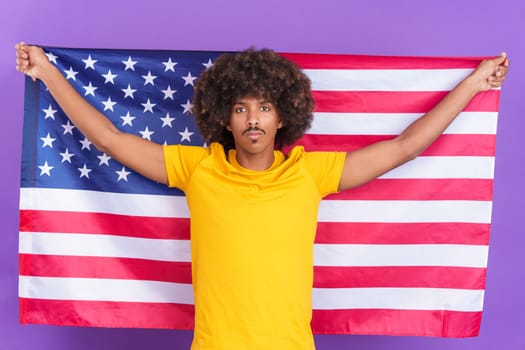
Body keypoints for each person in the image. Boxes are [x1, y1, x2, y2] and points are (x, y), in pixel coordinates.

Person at [15, 42, 508, 350]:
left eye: (265, 107)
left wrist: (472, 84)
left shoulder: (311, 174)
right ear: (224, 119)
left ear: (283, 116)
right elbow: (109, 139)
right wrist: (47, 72)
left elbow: (404, 148)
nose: (253, 118)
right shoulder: (198, 167)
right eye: (240, 107)